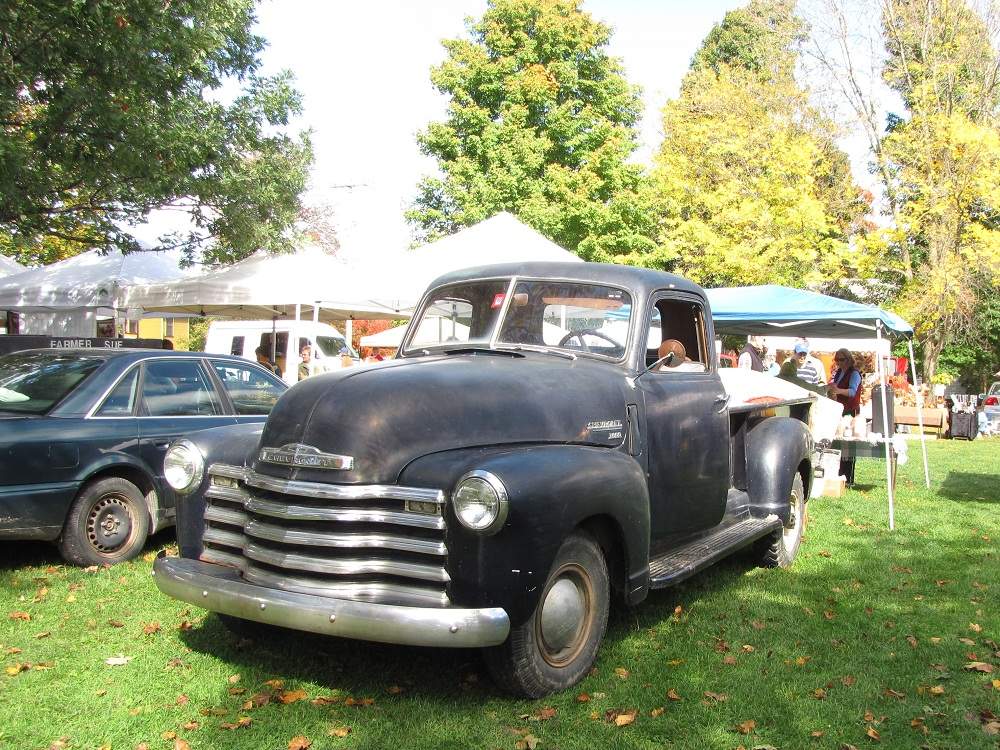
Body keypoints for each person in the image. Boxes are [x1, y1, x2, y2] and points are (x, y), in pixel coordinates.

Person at [827, 348, 862, 485]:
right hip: (839, 410)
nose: (838, 363)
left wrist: (838, 390)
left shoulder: (854, 374)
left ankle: (848, 477)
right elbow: (836, 387)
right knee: (839, 442)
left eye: (841, 360)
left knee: (848, 444)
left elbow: (853, 392)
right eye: (836, 360)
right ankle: (839, 474)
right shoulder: (839, 372)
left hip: (850, 412)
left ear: (848, 359)